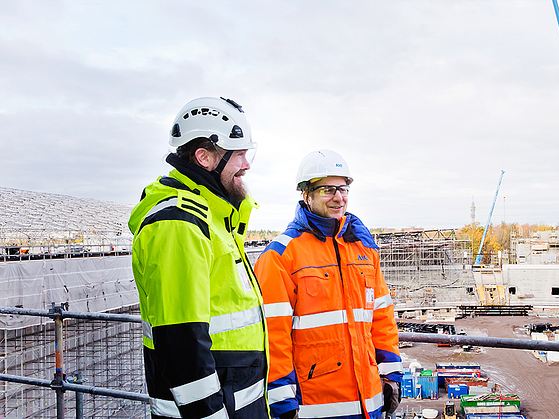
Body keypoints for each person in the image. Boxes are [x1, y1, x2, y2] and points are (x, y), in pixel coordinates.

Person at [128, 97, 270, 419]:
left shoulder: (211, 216)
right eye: (239, 154)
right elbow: (182, 344)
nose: (246, 164)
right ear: (204, 157)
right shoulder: (178, 224)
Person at [255, 149, 403, 419]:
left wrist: (391, 374)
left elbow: (381, 317)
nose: (339, 197)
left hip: (369, 403)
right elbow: (271, 336)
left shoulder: (363, 248)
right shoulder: (280, 256)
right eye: (328, 189)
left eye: (343, 188)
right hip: (315, 406)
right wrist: (281, 400)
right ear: (306, 194)